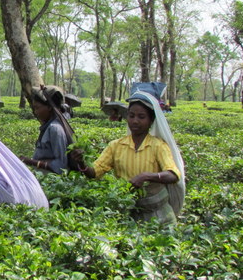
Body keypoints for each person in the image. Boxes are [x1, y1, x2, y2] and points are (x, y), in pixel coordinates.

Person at [70, 91, 185, 225]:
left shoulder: (158, 146)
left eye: (141, 117)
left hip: (159, 215)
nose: (135, 120)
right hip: (128, 212)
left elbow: (173, 175)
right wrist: (82, 163)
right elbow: (95, 173)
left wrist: (147, 176)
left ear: (151, 120)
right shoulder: (116, 146)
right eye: (131, 116)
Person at [19, 85, 74, 174]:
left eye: (37, 108)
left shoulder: (55, 129)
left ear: (49, 107)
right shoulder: (48, 126)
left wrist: (31, 162)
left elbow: (61, 165)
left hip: (51, 182)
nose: (35, 112)